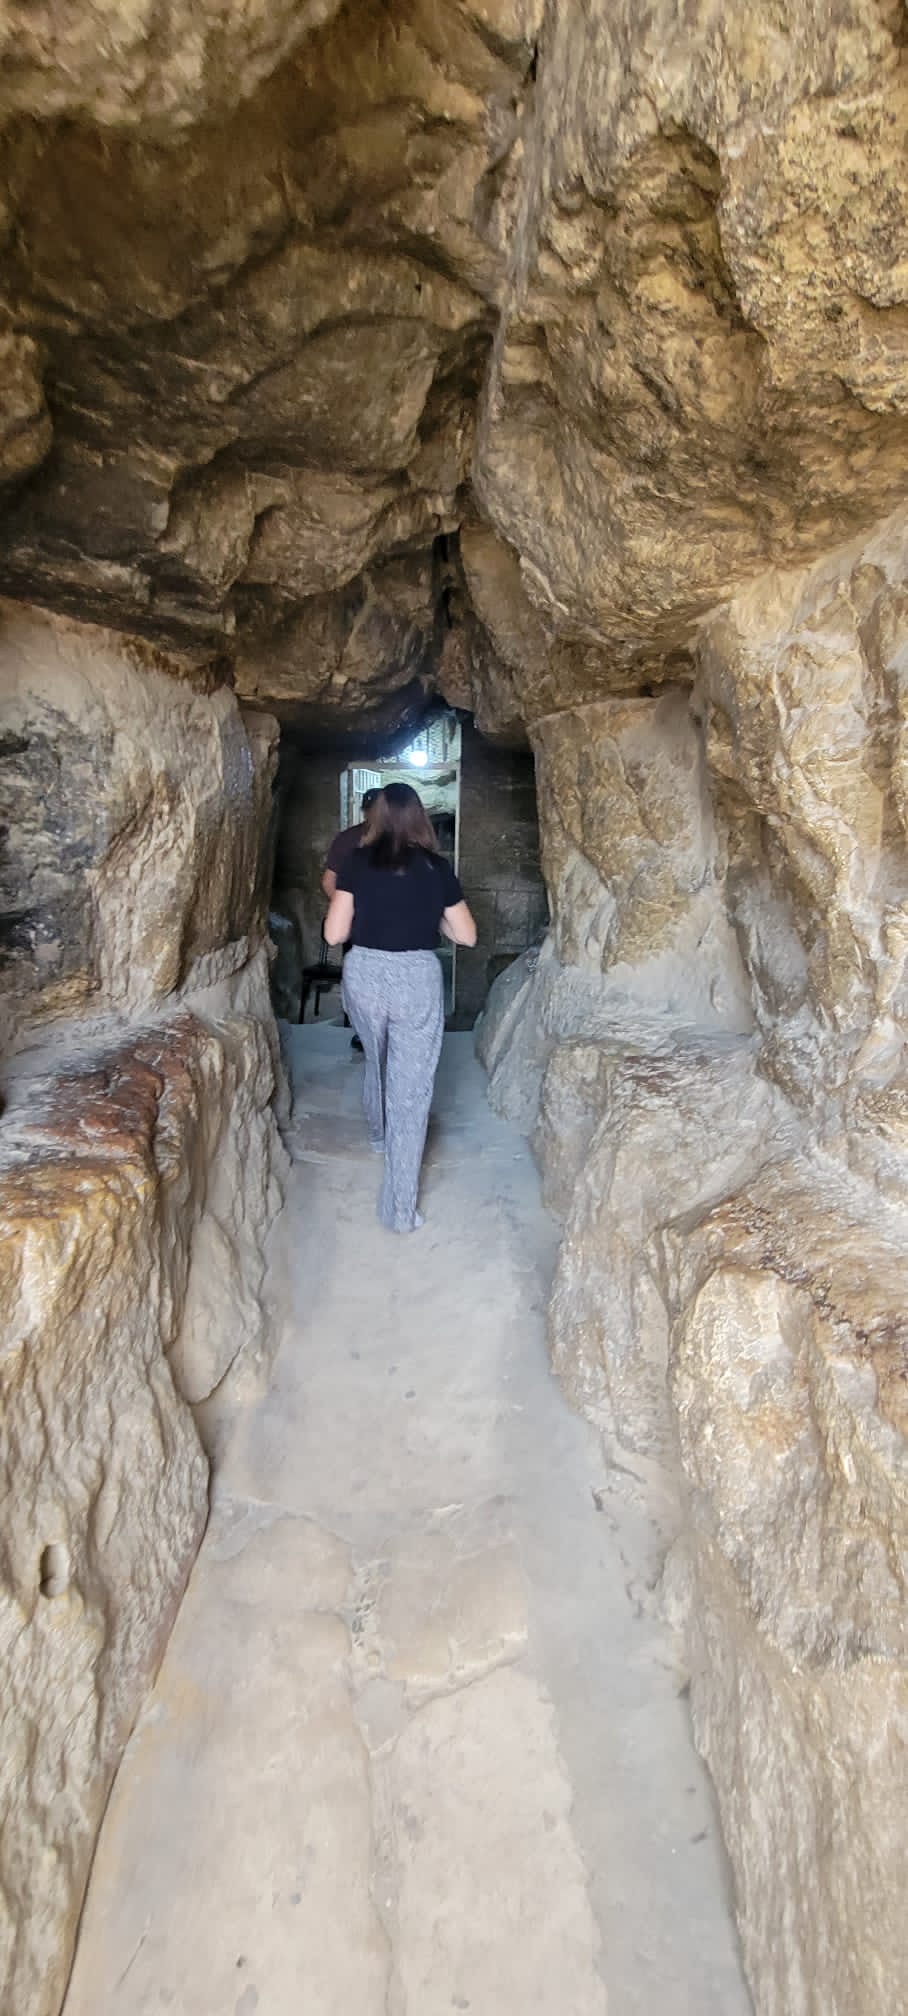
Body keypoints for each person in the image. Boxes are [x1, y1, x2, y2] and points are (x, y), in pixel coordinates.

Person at [323, 782, 477, 1233]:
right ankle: (401, 1210)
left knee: (377, 1059)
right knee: (411, 1092)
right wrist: (432, 916)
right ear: (419, 817)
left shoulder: (356, 862)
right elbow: (467, 936)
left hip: (365, 974)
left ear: (376, 816)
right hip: (416, 977)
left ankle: (378, 1134)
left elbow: (334, 934)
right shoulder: (436, 867)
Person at [321, 788, 380, 900]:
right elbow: (328, 881)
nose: (375, 815)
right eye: (371, 810)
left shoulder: (395, 840)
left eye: (378, 810)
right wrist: (346, 906)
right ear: (364, 811)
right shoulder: (347, 838)